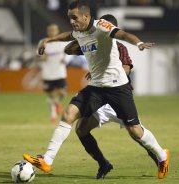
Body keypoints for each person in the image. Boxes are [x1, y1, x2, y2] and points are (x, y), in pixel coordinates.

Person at [23, 1, 170, 180]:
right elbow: (69, 37)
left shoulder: (102, 26)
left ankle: (162, 156)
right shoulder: (79, 31)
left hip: (117, 88)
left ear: (86, 16)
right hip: (96, 89)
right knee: (69, 115)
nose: (72, 21)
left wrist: (138, 43)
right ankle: (47, 160)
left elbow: (122, 34)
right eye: (70, 18)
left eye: (74, 18)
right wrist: (49, 40)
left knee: (136, 132)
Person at [65, 14, 159, 179]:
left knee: (137, 134)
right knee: (81, 129)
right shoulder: (93, 42)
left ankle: (158, 158)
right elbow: (69, 50)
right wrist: (78, 37)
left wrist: (106, 73)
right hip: (100, 99)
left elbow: (126, 68)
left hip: (117, 99)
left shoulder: (119, 46)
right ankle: (103, 164)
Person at [38, 24, 68, 123]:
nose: (52, 32)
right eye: (50, 30)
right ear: (48, 31)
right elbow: (38, 55)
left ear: (57, 31)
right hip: (47, 73)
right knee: (50, 95)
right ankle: (53, 115)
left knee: (62, 93)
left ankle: (58, 103)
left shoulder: (62, 42)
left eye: (54, 30)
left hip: (59, 72)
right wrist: (42, 57)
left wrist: (65, 59)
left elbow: (68, 54)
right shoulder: (43, 42)